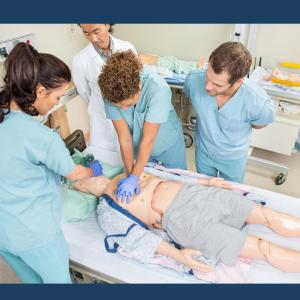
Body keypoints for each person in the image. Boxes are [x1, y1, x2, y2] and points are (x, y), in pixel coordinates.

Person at [0, 42, 103, 283]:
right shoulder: (43, 138)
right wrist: (91, 169)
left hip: (5, 233)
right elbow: (74, 173)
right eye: (57, 97)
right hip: (35, 236)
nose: (56, 104)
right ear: (39, 91)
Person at [73, 172, 300, 273]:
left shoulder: (129, 169)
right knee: (262, 247)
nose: (84, 173)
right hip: (183, 222)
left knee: (269, 216)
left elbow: (166, 176)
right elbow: (137, 238)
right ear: (80, 188)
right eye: (77, 177)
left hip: (197, 194)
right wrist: (178, 256)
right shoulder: (106, 211)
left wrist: (205, 182)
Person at [99, 50, 186, 203]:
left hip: (167, 143)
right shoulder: (110, 93)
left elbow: (148, 140)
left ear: (139, 85)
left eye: (128, 105)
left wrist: (134, 177)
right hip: (139, 145)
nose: (124, 109)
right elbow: (124, 138)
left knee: (178, 185)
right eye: (119, 107)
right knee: (145, 180)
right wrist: (129, 174)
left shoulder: (158, 90)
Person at [184, 42, 275, 183]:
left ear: (238, 82)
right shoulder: (193, 80)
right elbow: (192, 93)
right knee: (205, 190)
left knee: (232, 194)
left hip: (233, 157)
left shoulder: (256, 101)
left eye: (217, 85)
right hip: (204, 151)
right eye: (208, 77)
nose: (207, 87)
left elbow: (261, 123)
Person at [72, 24, 137, 154]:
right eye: (87, 34)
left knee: (131, 154)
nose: (93, 38)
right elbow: (85, 93)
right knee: (106, 160)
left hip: (128, 113)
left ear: (107, 25)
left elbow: (134, 82)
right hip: (102, 119)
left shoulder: (127, 47)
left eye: (96, 31)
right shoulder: (79, 60)